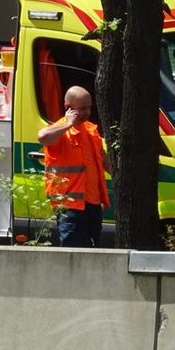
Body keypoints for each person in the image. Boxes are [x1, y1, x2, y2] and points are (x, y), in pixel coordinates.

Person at [37, 86, 110, 247]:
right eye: (83, 108)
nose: (88, 112)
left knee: (92, 252)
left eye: (89, 107)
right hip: (70, 207)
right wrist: (68, 124)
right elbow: (42, 137)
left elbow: (102, 158)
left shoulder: (91, 130)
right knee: (73, 254)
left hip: (92, 204)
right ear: (68, 108)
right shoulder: (61, 130)